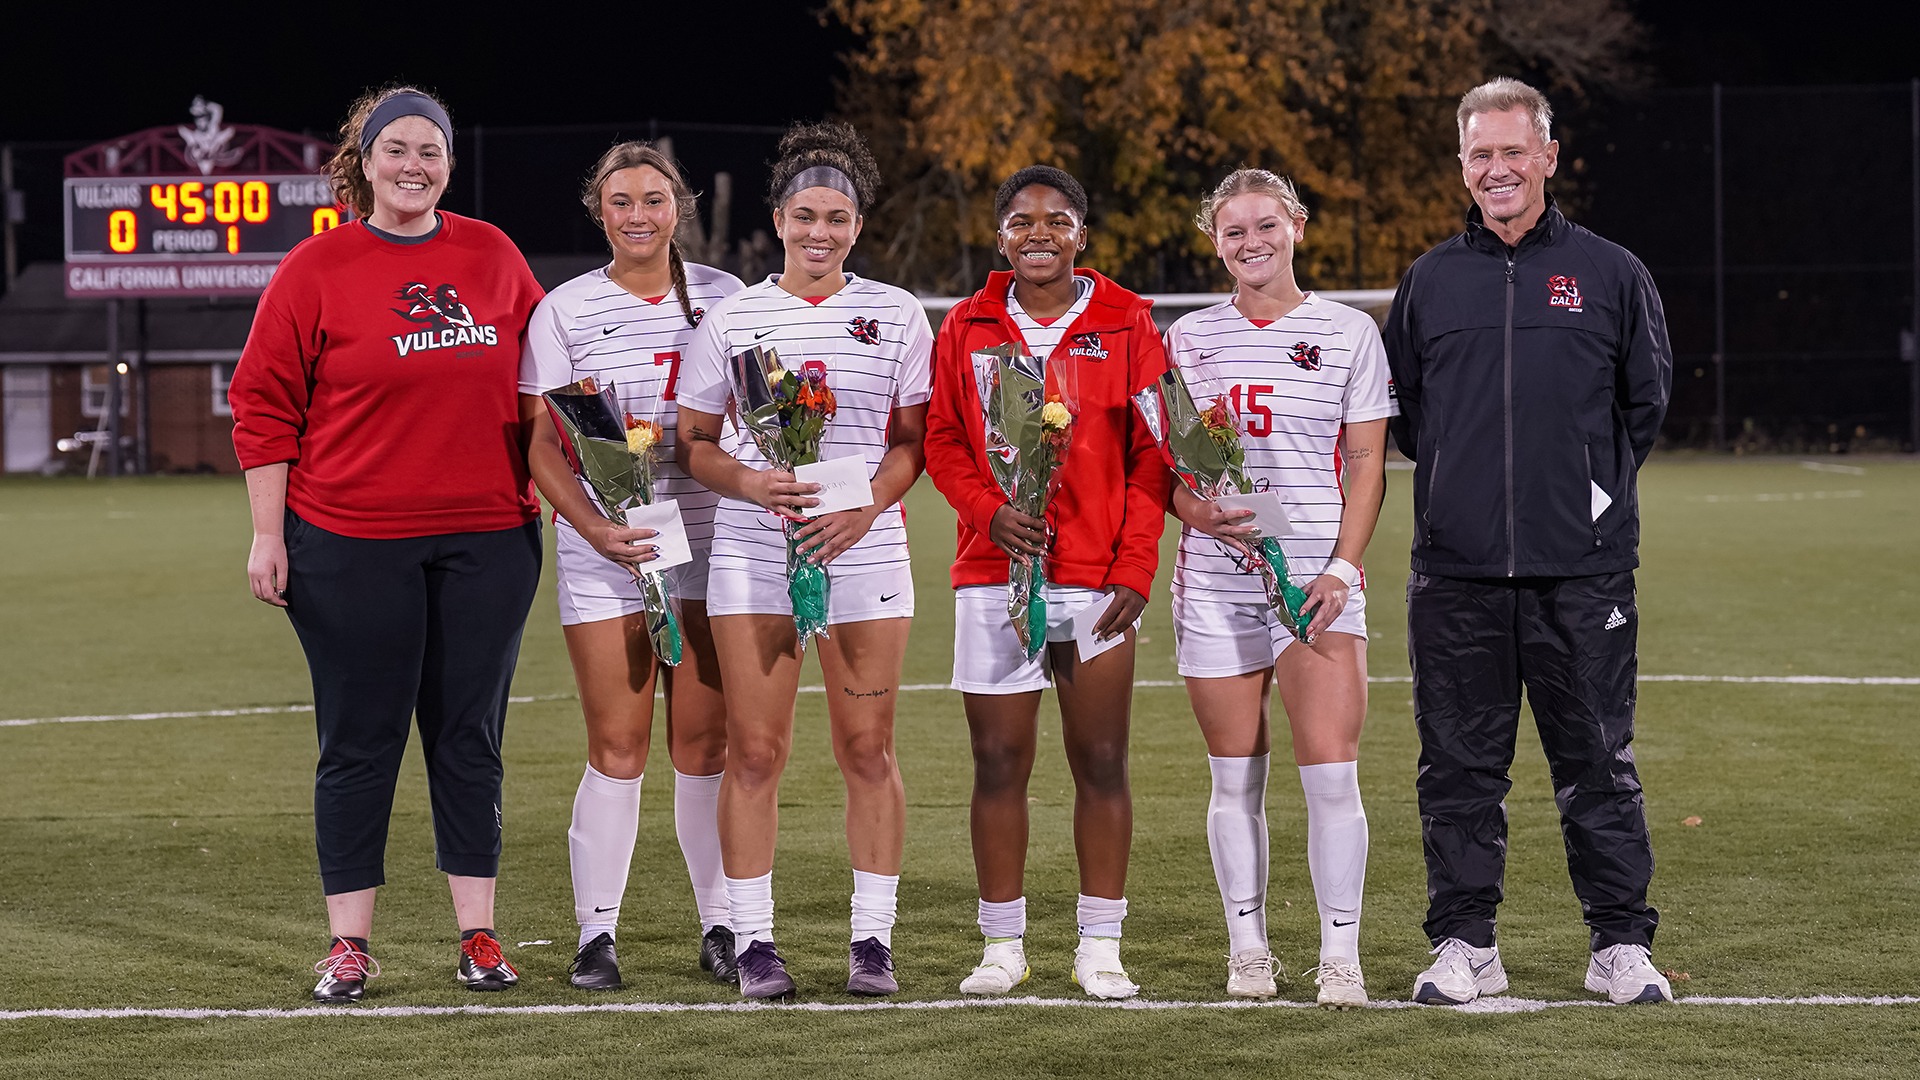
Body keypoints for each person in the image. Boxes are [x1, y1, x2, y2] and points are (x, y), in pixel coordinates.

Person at [229, 86, 545, 1003]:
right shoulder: (314, 267)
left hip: (489, 538)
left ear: (449, 161)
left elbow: (546, 382)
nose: (415, 165)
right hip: (349, 541)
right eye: (397, 149)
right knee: (360, 741)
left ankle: (479, 936)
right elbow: (262, 406)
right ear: (363, 161)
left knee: (469, 738)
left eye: (431, 150)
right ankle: (348, 945)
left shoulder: (491, 253)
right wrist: (265, 534)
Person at [1384, 77, 1675, 1005]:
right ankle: (1467, 944)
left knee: (1597, 761)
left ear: (1549, 156)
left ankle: (1619, 945)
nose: (1498, 169)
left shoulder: (1613, 273)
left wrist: (1580, 498)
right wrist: (1470, 498)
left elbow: (1645, 405)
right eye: (1481, 155)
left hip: (1584, 573)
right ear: (1463, 166)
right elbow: (1413, 417)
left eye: (1515, 151)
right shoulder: (1430, 280)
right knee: (1459, 769)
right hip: (1458, 573)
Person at [675, 121, 931, 1000]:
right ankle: (754, 944)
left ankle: (872, 943)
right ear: (779, 219)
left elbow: (909, 444)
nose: (820, 231)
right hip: (753, 557)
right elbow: (695, 444)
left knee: (868, 749)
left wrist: (866, 504)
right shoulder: (733, 317)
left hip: (865, 553)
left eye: (838, 217)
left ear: (858, 226)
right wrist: (751, 484)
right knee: (755, 751)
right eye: (804, 215)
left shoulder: (896, 313)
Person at [923, 165, 1169, 1000]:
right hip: (995, 572)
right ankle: (1002, 945)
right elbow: (944, 441)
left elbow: (1152, 452)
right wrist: (990, 514)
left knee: (1100, 757)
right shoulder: (965, 325)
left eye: (1057, 220)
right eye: (1021, 222)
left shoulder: (1128, 320)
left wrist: (1135, 563)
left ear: (1082, 235)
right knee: (997, 761)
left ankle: (1100, 944)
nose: (1039, 233)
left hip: (1098, 576)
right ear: (999, 238)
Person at [1162, 169, 1393, 1007]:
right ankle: (1249, 948)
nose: (1250, 242)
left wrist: (1340, 567)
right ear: (1213, 241)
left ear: (1297, 224)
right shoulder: (1186, 339)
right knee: (1235, 779)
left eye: (1266, 225)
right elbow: (1164, 472)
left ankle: (1341, 955)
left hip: (1316, 584)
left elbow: (1367, 464)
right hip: (1216, 585)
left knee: (1331, 774)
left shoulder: (1349, 333)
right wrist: (1198, 510)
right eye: (1233, 232)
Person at [519, 142, 746, 991]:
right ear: (599, 210)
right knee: (617, 745)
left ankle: (721, 926)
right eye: (622, 201)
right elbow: (543, 439)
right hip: (605, 553)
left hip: (713, 549)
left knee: (703, 746)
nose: (640, 214)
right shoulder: (565, 309)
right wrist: (592, 526)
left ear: (678, 204)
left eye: (655, 198)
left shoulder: (725, 299)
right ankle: (596, 935)